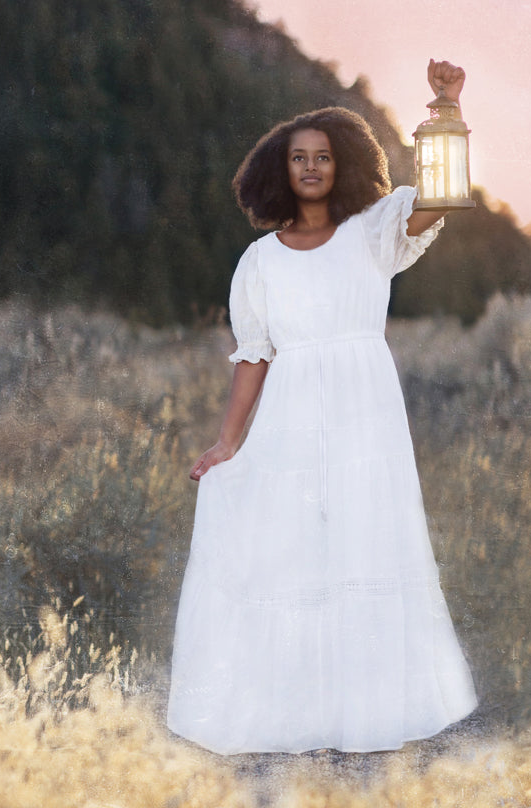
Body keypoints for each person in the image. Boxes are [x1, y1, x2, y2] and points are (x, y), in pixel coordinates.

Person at [167, 60, 477, 755]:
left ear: (343, 166)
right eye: (298, 158)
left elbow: (442, 197)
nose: (310, 168)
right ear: (280, 171)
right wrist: (226, 444)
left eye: (323, 157)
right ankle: (294, 713)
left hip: (365, 412)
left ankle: (364, 713)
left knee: (365, 544)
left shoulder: (373, 231)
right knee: (294, 554)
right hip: (292, 416)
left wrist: (445, 111)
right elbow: (254, 356)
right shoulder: (259, 262)